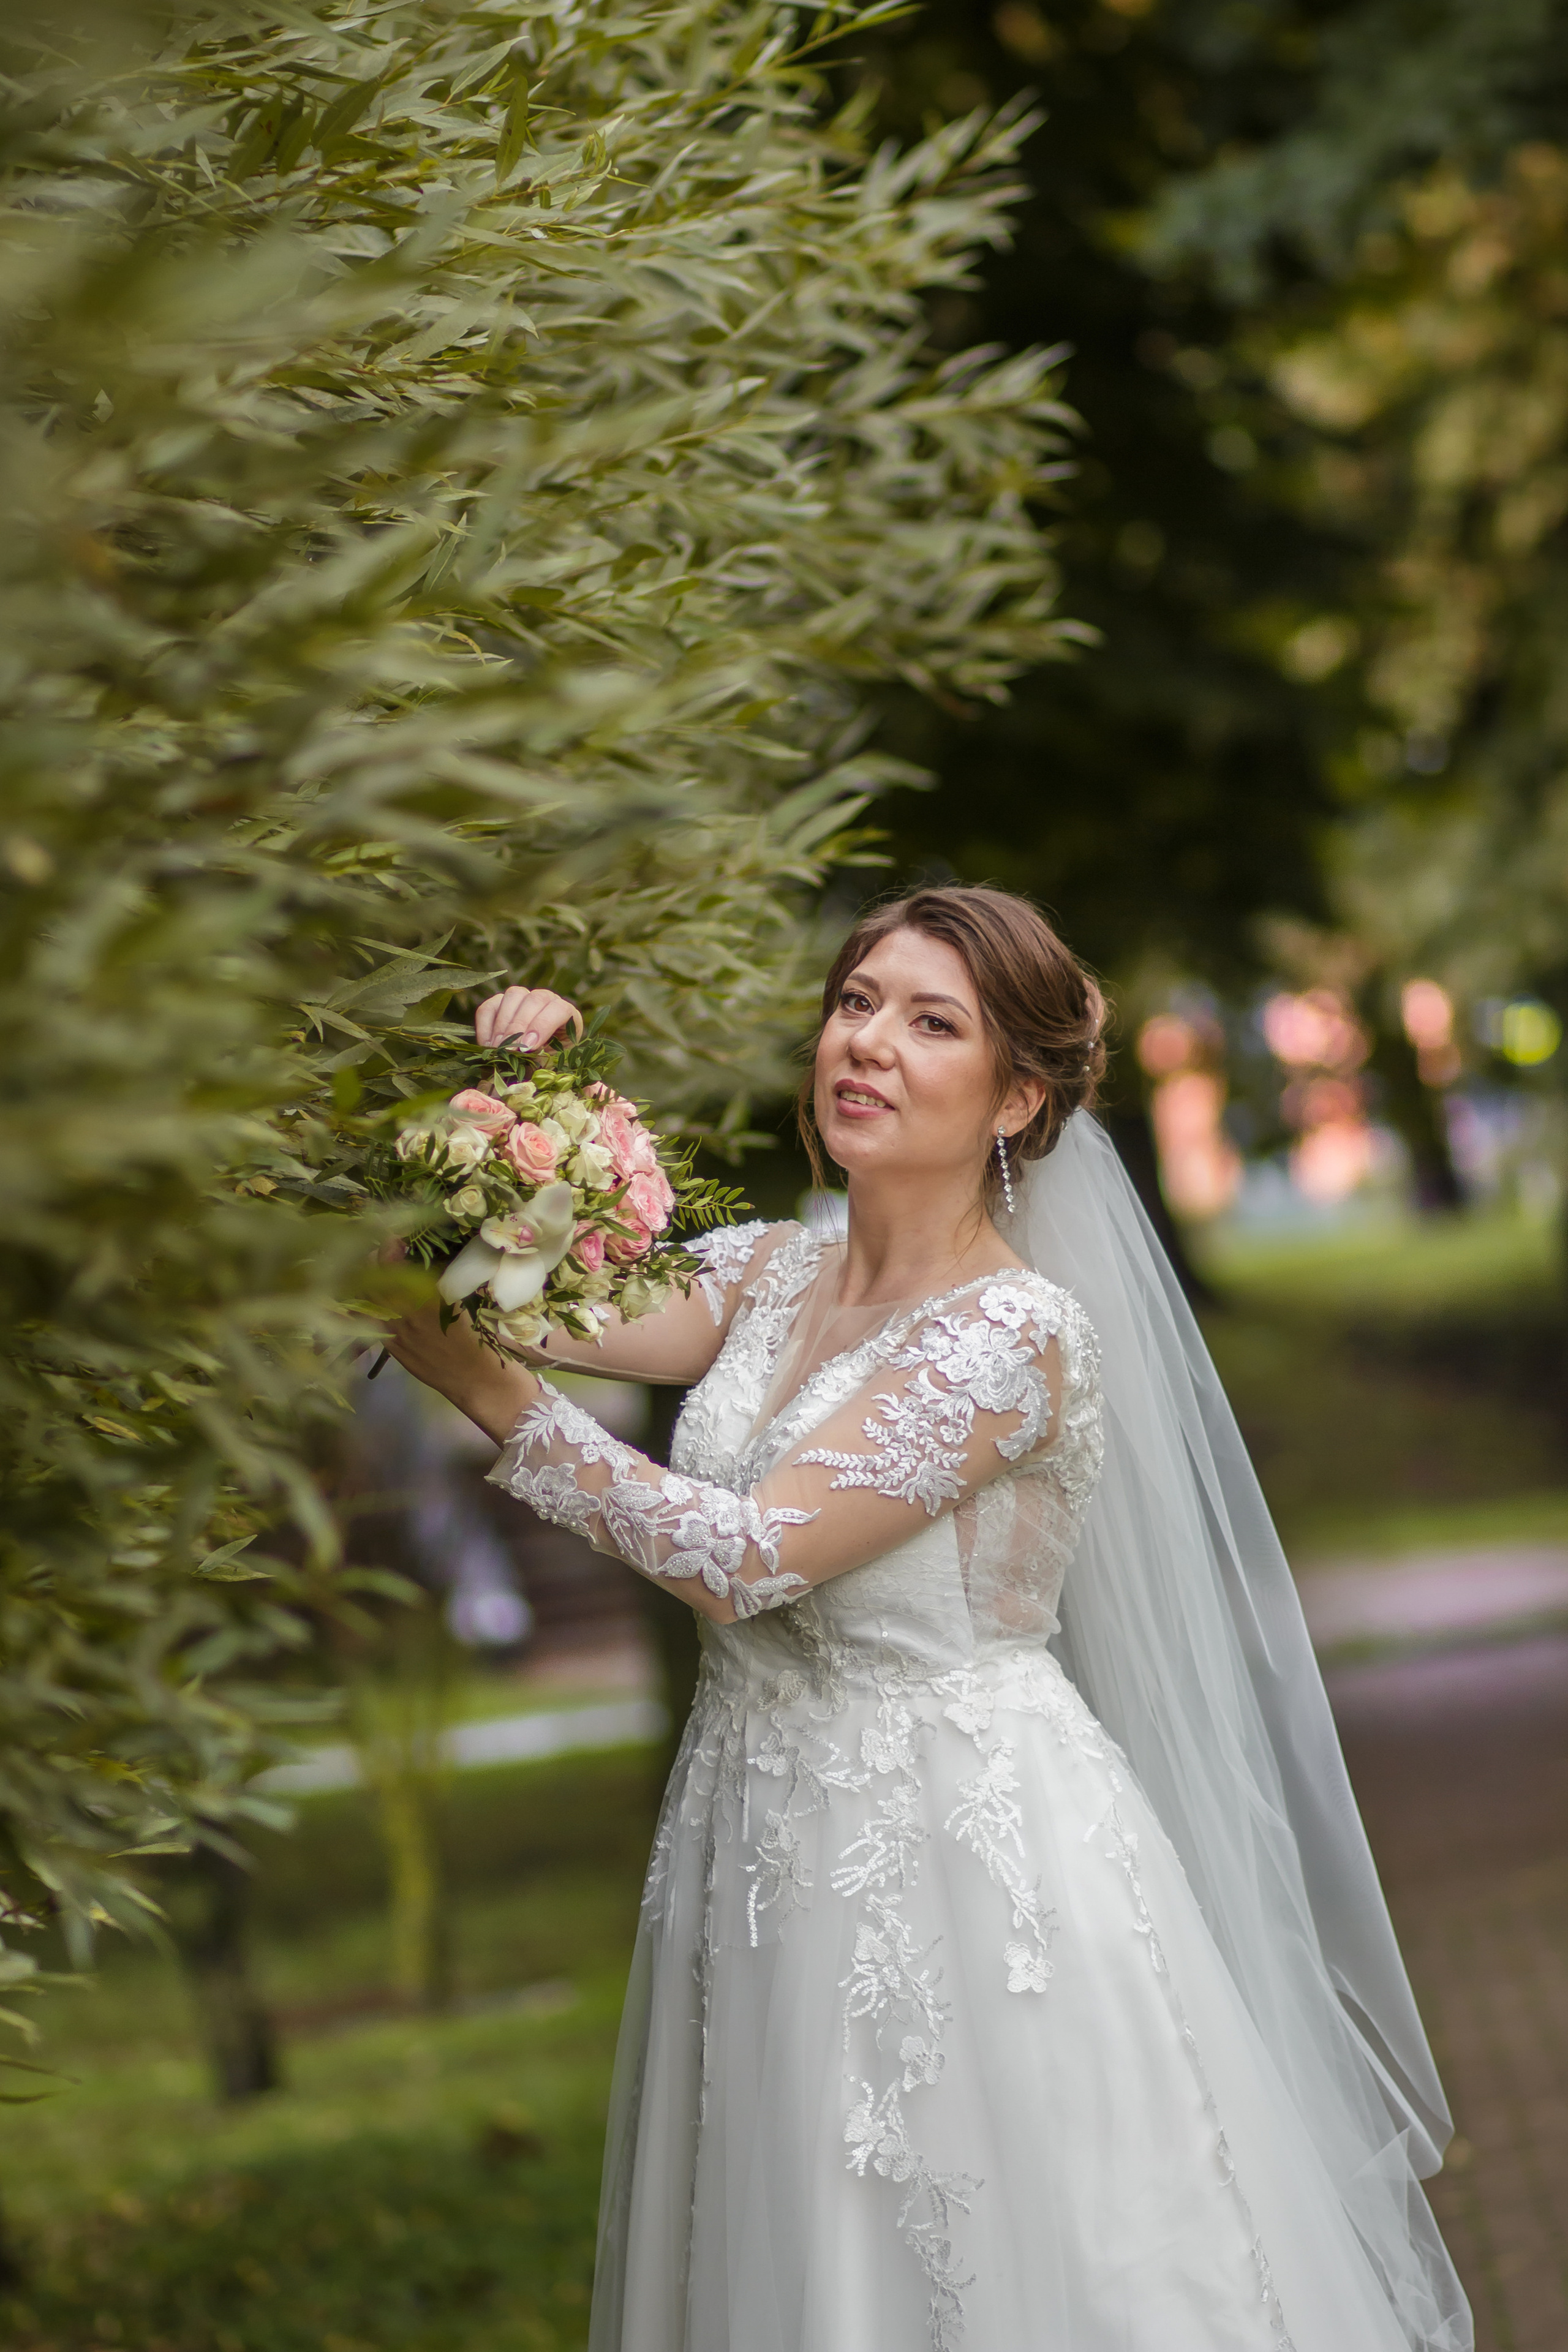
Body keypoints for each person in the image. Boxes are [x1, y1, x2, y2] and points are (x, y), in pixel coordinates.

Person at [382, 884, 1472, 2352]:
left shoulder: (1012, 1335)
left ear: (1017, 1097)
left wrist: (498, 1406)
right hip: (759, 1848)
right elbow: (511, 1297)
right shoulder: (763, 1272)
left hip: (967, 1866)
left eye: (928, 1021)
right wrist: (522, 1101)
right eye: (854, 1003)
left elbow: (749, 1558)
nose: (868, 1043)